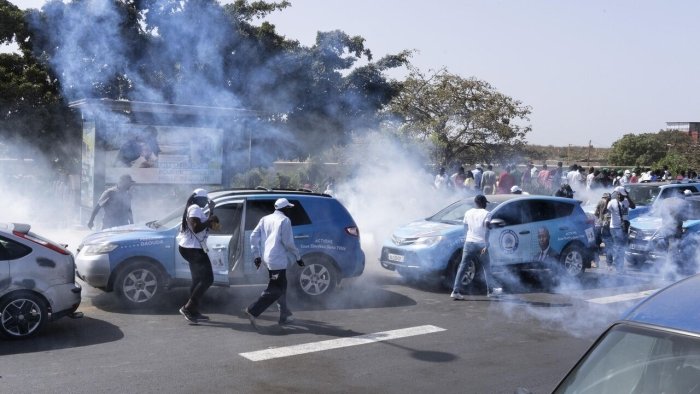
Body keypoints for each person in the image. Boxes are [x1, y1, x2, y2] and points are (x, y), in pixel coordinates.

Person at [246, 198, 305, 328]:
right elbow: (288, 243)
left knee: (282, 285)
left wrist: (256, 255)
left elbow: (253, 237)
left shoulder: (265, 219)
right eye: (289, 208)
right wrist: (298, 257)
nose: (290, 211)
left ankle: (285, 315)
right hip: (277, 260)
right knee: (276, 289)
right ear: (285, 209)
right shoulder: (285, 220)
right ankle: (253, 310)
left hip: (268, 258)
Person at [177, 188, 219, 323]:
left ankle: (193, 310)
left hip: (192, 248)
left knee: (197, 280)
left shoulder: (194, 207)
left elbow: (205, 224)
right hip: (193, 249)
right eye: (205, 200)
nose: (206, 203)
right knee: (208, 279)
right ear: (198, 199)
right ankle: (188, 308)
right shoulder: (194, 207)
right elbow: (196, 227)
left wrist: (211, 212)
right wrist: (210, 219)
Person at [451, 194, 501, 299]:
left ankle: (455, 291)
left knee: (462, 266)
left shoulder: (468, 213)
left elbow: (465, 227)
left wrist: (466, 238)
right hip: (481, 244)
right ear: (483, 203)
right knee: (486, 268)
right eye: (485, 203)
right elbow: (487, 228)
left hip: (469, 243)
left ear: (475, 203)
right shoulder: (487, 213)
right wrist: (487, 243)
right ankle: (490, 291)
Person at [607, 186, 633, 273]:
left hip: (624, 228)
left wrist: (628, 196)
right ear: (617, 194)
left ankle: (620, 267)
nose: (621, 196)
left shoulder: (626, 201)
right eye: (621, 195)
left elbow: (633, 206)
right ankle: (616, 266)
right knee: (619, 247)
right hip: (615, 228)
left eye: (623, 195)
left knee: (622, 248)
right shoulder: (612, 202)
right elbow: (606, 211)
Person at [594, 192, 613, 268]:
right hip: (607, 226)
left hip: (599, 225)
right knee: (609, 245)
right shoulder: (611, 203)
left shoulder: (600, 201)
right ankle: (609, 264)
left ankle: (596, 262)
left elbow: (595, 213)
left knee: (596, 244)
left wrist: (599, 217)